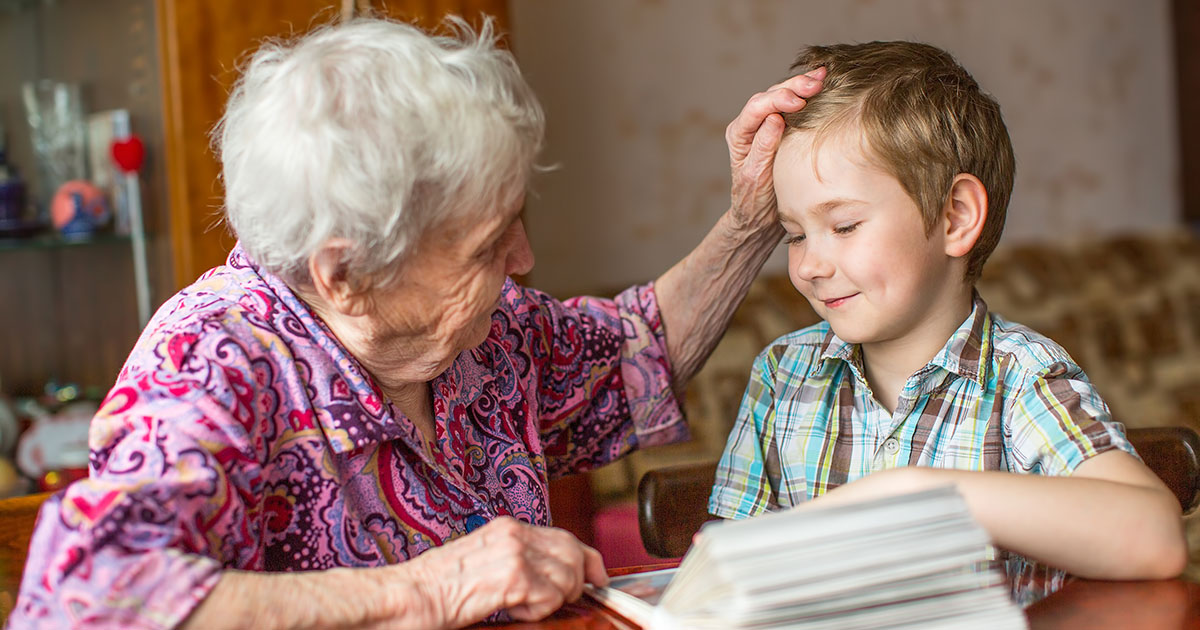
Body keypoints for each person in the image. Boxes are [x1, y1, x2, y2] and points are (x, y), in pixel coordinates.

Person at [7, 17, 828, 630]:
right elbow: (86, 598)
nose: (524, 257)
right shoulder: (212, 358)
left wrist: (754, 219)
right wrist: (432, 587)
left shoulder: (488, 334)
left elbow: (637, 351)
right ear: (346, 273)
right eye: (485, 243)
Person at [708, 40, 1187, 606]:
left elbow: (1155, 537)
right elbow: (724, 575)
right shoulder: (783, 375)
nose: (810, 265)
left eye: (843, 226)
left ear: (955, 217)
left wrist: (915, 491)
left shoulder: (1022, 379)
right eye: (794, 235)